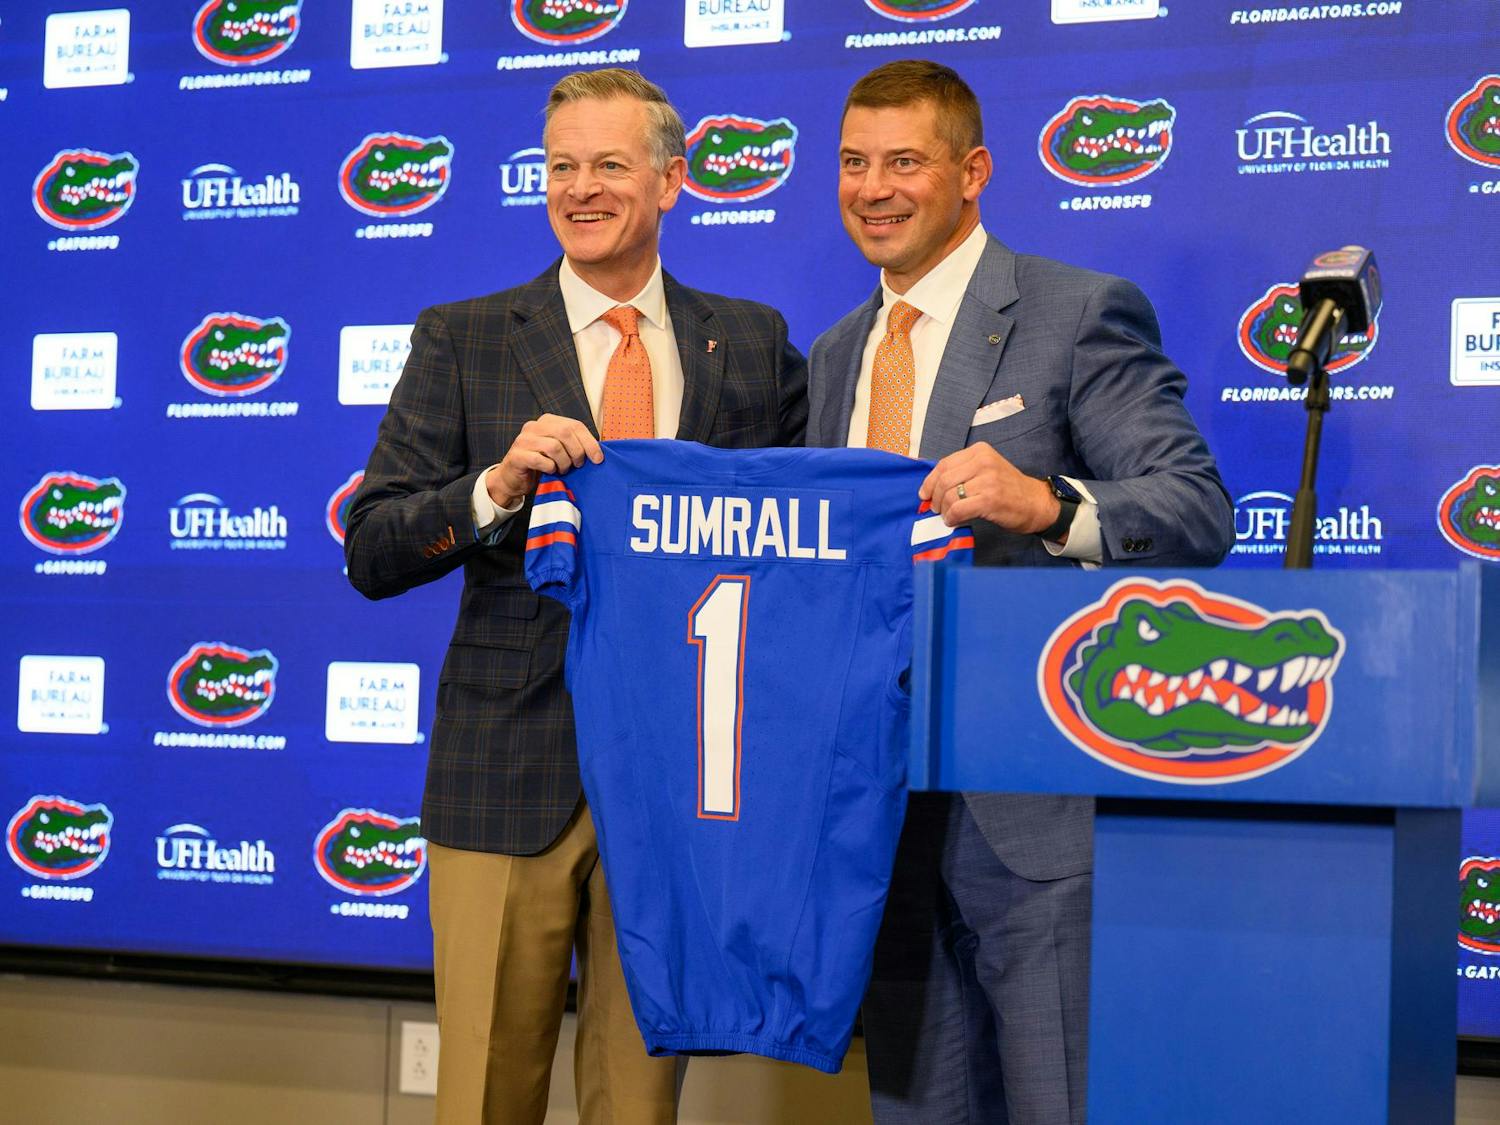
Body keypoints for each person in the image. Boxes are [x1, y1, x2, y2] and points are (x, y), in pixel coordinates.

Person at [344, 68, 807, 1124]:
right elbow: (372, 551)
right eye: (561, 167)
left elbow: (792, 565)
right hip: (509, 770)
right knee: (481, 1098)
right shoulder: (464, 337)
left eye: (608, 165)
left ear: (672, 180)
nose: (580, 189)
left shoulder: (752, 342)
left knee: (638, 1104)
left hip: (682, 784)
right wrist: (496, 487)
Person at [809, 60, 1234, 1124]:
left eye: (905, 161)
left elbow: (1196, 509)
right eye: (855, 163)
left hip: (1033, 822)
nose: (875, 188)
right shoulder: (832, 355)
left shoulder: (1076, 310)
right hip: (874, 819)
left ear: (974, 171)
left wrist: (1048, 503)